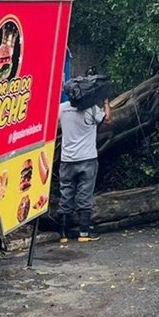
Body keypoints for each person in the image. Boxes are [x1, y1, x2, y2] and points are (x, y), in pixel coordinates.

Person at [57, 74, 113, 243]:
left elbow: (54, 123)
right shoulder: (92, 110)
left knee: (65, 194)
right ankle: (83, 233)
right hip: (87, 159)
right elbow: (108, 120)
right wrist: (105, 103)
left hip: (67, 160)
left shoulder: (63, 109)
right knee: (85, 196)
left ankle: (63, 235)